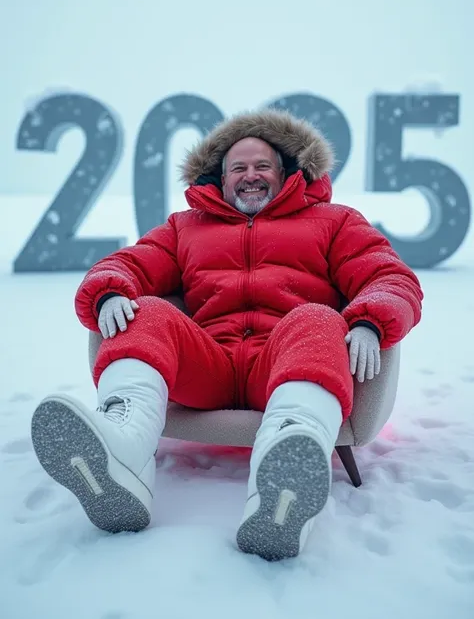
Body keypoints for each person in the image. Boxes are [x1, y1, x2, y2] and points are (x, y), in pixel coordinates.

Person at [31, 109, 423, 561]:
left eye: (262, 167)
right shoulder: (185, 226)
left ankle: (287, 465)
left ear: (287, 173)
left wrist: (373, 321)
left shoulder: (334, 221)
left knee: (316, 317)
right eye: (239, 168)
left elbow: (391, 276)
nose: (250, 176)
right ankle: (123, 451)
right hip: (209, 366)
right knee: (148, 312)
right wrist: (108, 292)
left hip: (286, 364)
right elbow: (130, 263)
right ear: (220, 177)